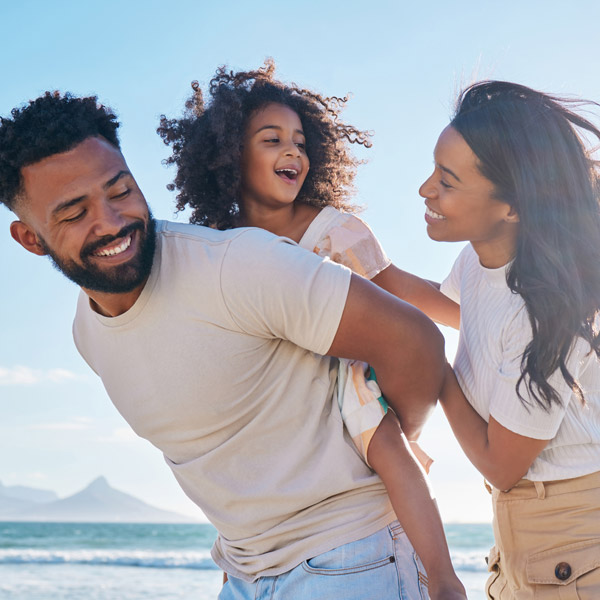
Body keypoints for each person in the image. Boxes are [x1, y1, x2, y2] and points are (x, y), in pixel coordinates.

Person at [2, 91, 447, 600]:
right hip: (243, 574)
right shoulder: (88, 333)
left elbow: (415, 342)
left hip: (351, 559)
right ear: (30, 238)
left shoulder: (237, 266)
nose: (111, 221)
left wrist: (384, 439)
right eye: (74, 213)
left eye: (120, 190)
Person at [157, 60, 465, 600]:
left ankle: (443, 580)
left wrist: (474, 313)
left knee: (389, 450)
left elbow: (397, 286)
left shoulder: (332, 229)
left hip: (339, 377)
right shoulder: (221, 247)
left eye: (300, 141)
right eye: (272, 139)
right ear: (232, 155)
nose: (292, 151)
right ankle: (244, 573)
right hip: (272, 399)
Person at [417, 81, 600, 598]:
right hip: (524, 540)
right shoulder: (480, 260)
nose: (425, 189)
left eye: (447, 181)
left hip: (574, 544)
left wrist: (431, 367)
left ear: (513, 207)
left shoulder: (548, 313)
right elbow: (455, 309)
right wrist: (358, 263)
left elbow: (502, 463)